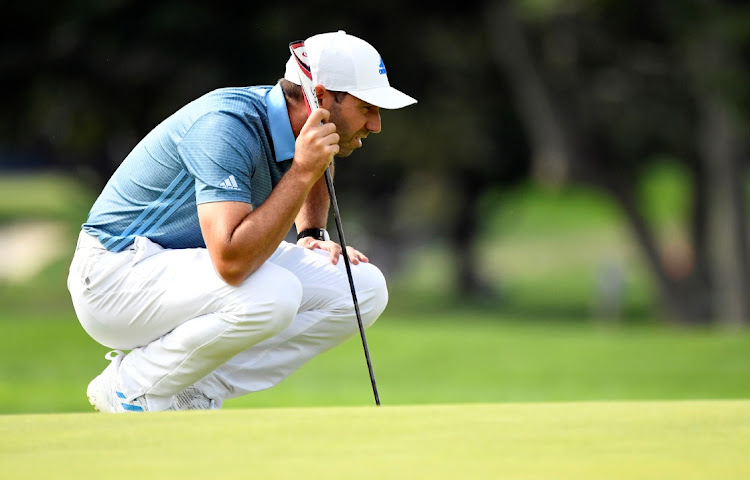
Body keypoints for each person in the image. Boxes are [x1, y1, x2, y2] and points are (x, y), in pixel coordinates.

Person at [67, 30, 417, 412]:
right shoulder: (226, 126)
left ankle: (194, 390)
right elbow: (232, 263)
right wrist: (301, 171)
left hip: (180, 271)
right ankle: (129, 385)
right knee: (273, 293)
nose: (377, 124)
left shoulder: (302, 128)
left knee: (362, 287)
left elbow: (319, 161)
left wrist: (312, 232)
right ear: (319, 96)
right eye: (367, 107)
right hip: (112, 278)